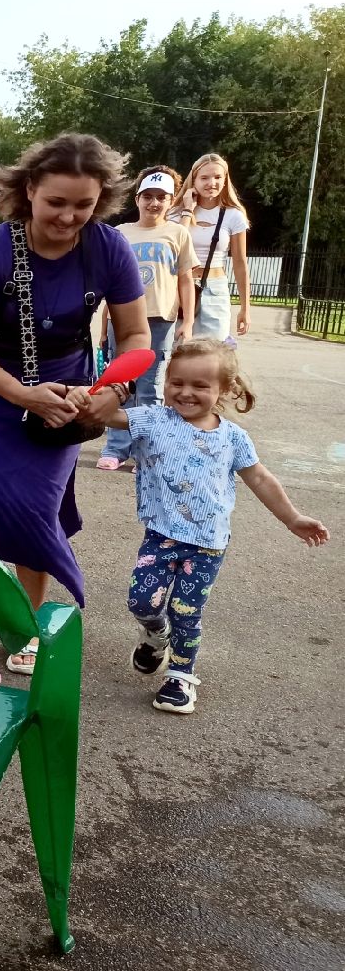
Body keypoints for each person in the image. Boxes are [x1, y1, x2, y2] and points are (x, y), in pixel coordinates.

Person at [0, 133, 149, 673]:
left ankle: (22, 614)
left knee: (33, 505)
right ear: (29, 189)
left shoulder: (109, 248)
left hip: (71, 391)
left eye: (84, 204)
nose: (69, 217)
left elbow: (135, 335)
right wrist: (21, 393)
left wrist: (112, 391)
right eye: (56, 202)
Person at [90, 339, 328, 712]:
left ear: (224, 389)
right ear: (166, 381)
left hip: (207, 544)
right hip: (160, 537)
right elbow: (106, 416)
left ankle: (180, 676)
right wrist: (106, 392)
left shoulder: (233, 438)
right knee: (141, 601)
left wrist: (292, 517)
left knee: (186, 610)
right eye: (177, 382)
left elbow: (260, 479)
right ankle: (156, 633)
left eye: (200, 385)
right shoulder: (153, 419)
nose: (186, 392)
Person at [96, 167, 197, 470]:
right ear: (137, 199)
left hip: (160, 319)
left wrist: (188, 321)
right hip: (123, 319)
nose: (154, 203)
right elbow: (109, 285)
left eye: (161, 197)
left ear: (170, 201)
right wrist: (104, 326)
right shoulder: (121, 233)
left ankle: (147, 449)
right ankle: (116, 448)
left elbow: (186, 280)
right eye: (148, 196)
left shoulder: (178, 233)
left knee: (150, 388)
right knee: (119, 384)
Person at [171, 153, 250, 341]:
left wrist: (245, 308)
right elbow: (175, 248)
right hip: (180, 288)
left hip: (215, 290)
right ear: (194, 180)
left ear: (225, 180)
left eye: (217, 177)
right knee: (177, 349)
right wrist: (188, 210)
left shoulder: (233, 216)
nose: (211, 183)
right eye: (204, 178)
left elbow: (240, 263)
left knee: (214, 349)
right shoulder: (174, 213)